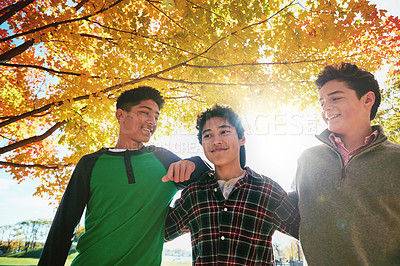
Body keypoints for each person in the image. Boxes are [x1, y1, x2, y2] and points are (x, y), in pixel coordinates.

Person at [38, 86, 210, 266]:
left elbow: (208, 180)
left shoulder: (163, 159)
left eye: (156, 117)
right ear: (120, 115)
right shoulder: (90, 163)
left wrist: (195, 161)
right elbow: (63, 227)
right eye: (145, 113)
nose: (152, 121)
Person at [164, 105, 300, 265]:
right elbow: (159, 232)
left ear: (242, 138)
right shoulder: (194, 193)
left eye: (224, 131)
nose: (216, 141)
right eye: (208, 135)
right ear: (202, 144)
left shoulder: (267, 190)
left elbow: (309, 231)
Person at [294, 62, 400, 265]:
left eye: (335, 98)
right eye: (322, 102)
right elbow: (293, 214)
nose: (326, 107)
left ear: (367, 99)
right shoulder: (308, 160)